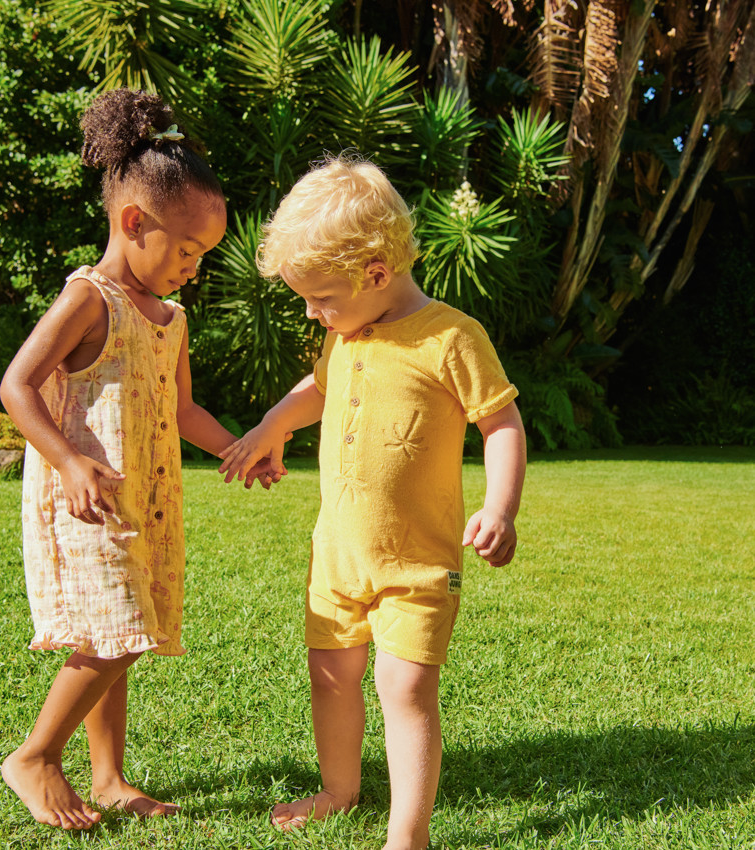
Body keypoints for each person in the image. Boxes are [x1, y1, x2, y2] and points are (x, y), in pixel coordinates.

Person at [218, 155, 526, 850]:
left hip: (415, 564)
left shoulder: (451, 337)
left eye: (321, 297)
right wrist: (272, 425)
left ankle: (407, 834)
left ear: (377, 274)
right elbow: (318, 389)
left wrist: (500, 508)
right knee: (331, 675)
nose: (312, 312)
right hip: (338, 559)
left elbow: (500, 422)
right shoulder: (346, 333)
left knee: (403, 688)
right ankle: (339, 789)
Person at [0, 88, 278, 831]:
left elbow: (182, 410)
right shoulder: (88, 299)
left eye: (202, 256)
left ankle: (111, 777)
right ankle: (35, 755)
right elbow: (17, 384)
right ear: (133, 223)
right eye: (187, 250)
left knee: (114, 636)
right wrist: (65, 461)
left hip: (145, 500)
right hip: (86, 495)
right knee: (117, 631)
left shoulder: (171, 318)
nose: (194, 267)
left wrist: (240, 447)